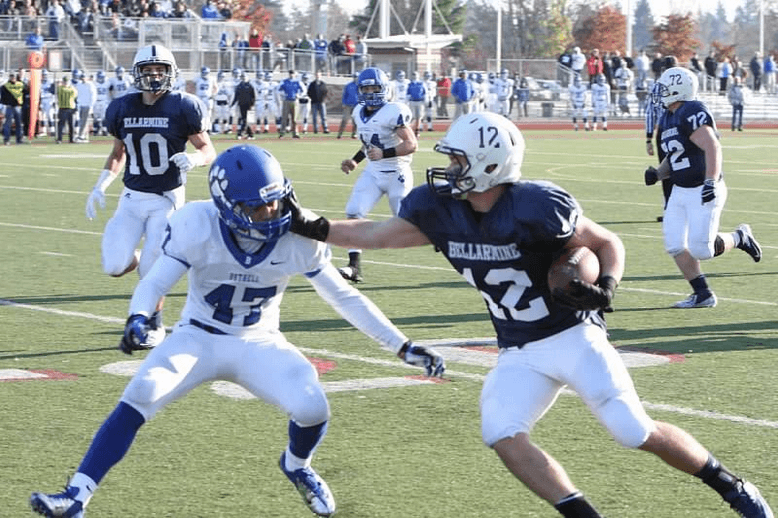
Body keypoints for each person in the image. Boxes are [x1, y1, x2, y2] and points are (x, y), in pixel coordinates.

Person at [288, 111, 775, 518]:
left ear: (487, 162)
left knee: (631, 430)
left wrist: (605, 284)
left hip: (572, 335)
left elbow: (606, 242)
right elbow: (372, 235)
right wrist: (309, 223)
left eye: (458, 159)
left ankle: (732, 486)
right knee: (500, 431)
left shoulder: (535, 206)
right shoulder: (441, 211)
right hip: (518, 348)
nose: (450, 168)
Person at [29, 144, 445, 518]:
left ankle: (297, 465)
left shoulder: (300, 233)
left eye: (276, 201)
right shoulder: (197, 222)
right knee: (143, 390)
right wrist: (138, 317)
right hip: (198, 335)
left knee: (313, 406)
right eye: (257, 208)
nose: (271, 213)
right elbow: (155, 281)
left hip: (259, 341)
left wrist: (401, 344)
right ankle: (76, 497)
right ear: (226, 205)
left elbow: (344, 297)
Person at [83, 44, 216, 347]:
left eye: (160, 71)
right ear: (138, 73)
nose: (155, 76)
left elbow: (208, 149)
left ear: (171, 73)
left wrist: (195, 159)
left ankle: (155, 323)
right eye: (149, 71)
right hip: (131, 198)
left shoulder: (183, 105)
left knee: (152, 273)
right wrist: (100, 184)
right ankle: (148, 259)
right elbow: (118, 152)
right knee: (114, 266)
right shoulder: (122, 107)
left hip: (167, 199)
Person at [645, 67, 762, 308]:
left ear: (679, 89)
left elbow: (712, 146)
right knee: (675, 244)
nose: (661, 93)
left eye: (665, 88)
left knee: (702, 250)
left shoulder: (692, 110)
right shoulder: (668, 115)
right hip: (680, 189)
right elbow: (676, 154)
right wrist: (659, 173)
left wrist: (710, 181)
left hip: (703, 187)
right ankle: (703, 294)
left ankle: (740, 237)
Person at [336, 67, 417, 282]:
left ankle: (445, 233)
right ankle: (354, 267)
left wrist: (384, 153)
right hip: (373, 172)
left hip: (396, 172)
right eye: (366, 88)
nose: (371, 92)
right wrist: (355, 160)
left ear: (384, 89)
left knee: (406, 222)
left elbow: (411, 144)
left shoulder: (393, 111)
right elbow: (369, 144)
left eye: (375, 87)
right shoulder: (358, 112)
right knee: (353, 212)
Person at [644, 55, 677, 222]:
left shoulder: (657, 87)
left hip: (664, 132)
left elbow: (650, 113)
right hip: (682, 129)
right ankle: (681, 210)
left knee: (665, 171)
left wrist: (648, 138)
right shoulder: (685, 83)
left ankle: (669, 209)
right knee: (684, 168)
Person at [278, 69, 302, 138]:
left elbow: (303, 90)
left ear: (295, 74)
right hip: (286, 100)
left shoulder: (298, 82)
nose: (291, 75)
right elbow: (278, 89)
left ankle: (295, 133)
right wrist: (283, 95)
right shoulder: (284, 81)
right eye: (290, 73)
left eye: (293, 73)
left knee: (294, 118)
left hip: (294, 101)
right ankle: (282, 133)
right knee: (284, 117)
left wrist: (299, 95)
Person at [232, 70, 255, 140]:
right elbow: (236, 96)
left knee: (245, 120)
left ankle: (240, 133)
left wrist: (252, 104)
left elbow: (253, 96)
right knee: (244, 120)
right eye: (242, 77)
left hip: (248, 105)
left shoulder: (250, 86)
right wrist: (232, 104)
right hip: (241, 105)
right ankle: (250, 134)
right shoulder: (239, 86)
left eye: (244, 77)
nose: (243, 78)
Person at [1, 73, 23, 145]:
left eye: (13, 77)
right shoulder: (5, 87)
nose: (12, 78)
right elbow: (2, 98)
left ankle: (19, 139)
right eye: (11, 77)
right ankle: (6, 139)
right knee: (8, 123)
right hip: (9, 106)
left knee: (19, 124)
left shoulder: (19, 85)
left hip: (17, 106)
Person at [74, 70, 96, 142]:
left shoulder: (90, 85)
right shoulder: (79, 85)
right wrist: (78, 104)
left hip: (87, 105)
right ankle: (81, 135)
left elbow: (93, 96)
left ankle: (82, 135)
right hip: (81, 105)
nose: (83, 79)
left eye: (84, 77)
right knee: (81, 121)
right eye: (82, 77)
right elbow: (78, 95)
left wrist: (91, 105)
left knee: (85, 121)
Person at [337, 72, 358, 139]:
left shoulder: (361, 86)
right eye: (354, 77)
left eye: (356, 77)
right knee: (345, 119)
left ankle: (354, 133)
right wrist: (344, 103)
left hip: (357, 105)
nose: (355, 78)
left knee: (355, 121)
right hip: (348, 105)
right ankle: (340, 133)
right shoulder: (348, 85)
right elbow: (344, 95)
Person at [56, 75, 77, 144]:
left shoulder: (61, 88)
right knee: (62, 125)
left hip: (69, 108)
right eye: (65, 81)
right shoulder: (72, 89)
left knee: (70, 125)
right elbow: (75, 96)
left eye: (66, 81)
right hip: (63, 108)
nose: (65, 83)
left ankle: (68, 139)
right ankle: (61, 139)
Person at [92, 70, 111, 136]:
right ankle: (96, 130)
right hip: (96, 101)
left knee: (104, 117)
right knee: (96, 117)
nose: (100, 79)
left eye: (101, 77)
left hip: (104, 101)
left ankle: (105, 130)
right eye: (99, 77)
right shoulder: (94, 83)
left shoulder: (107, 83)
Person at [407, 71, 425, 136]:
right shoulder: (410, 84)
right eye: (413, 75)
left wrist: (425, 100)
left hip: (420, 101)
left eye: (415, 75)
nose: (414, 76)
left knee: (419, 116)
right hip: (412, 101)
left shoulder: (421, 83)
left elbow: (424, 92)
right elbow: (408, 93)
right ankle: (412, 129)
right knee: (412, 117)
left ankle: (417, 129)